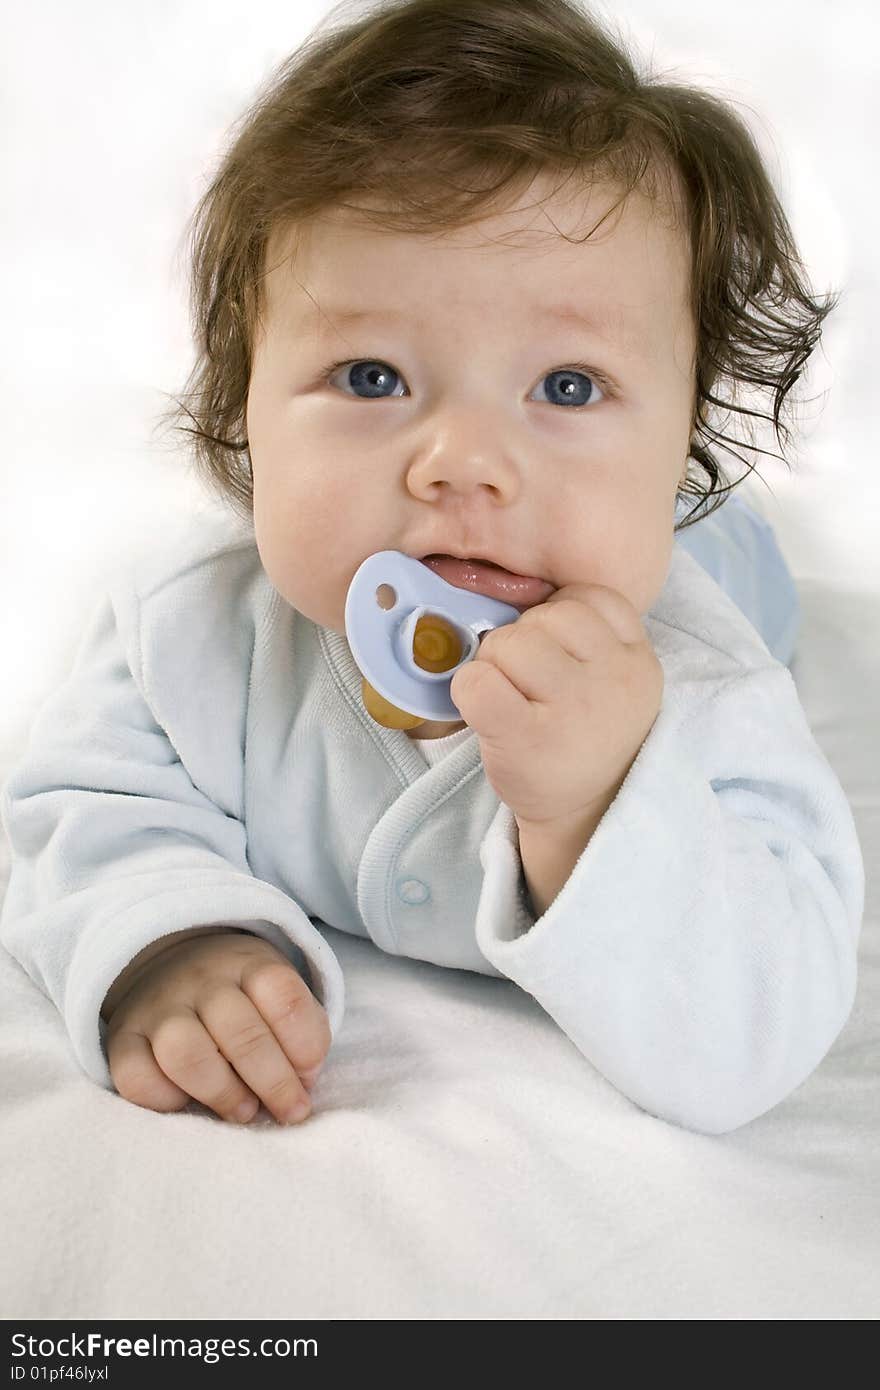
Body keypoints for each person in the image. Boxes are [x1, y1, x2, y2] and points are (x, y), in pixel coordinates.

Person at [0, 0, 864, 1135]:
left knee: (737, 558)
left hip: (714, 561)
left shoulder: (699, 684)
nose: (462, 464)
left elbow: (755, 1027)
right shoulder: (195, 627)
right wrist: (170, 936)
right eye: (370, 377)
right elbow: (82, 808)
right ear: (244, 408)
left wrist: (599, 803)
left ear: (680, 440)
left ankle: (715, 522)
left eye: (566, 387)